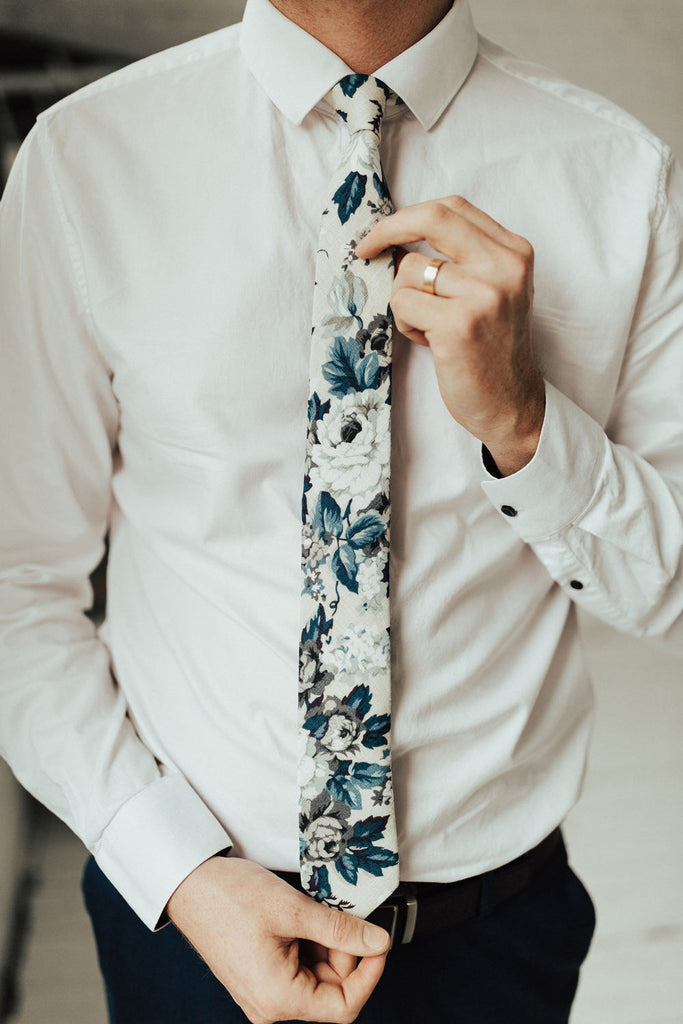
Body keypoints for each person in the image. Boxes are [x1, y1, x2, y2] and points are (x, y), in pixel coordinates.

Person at [1, 0, 681, 1021]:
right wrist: (174, 867)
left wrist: (526, 424)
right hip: (187, 919)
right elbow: (14, 584)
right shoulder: (86, 160)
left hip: (498, 935)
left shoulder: (618, 175)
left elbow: (666, 586)